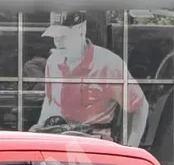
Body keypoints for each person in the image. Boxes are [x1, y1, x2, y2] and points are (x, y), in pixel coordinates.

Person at [31, 11, 149, 147]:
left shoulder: (108, 64)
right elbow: (50, 101)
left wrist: (131, 149)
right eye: (55, 36)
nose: (58, 42)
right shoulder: (53, 62)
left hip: (93, 144)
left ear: (81, 29)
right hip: (57, 141)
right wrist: (40, 130)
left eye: (63, 36)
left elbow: (140, 106)